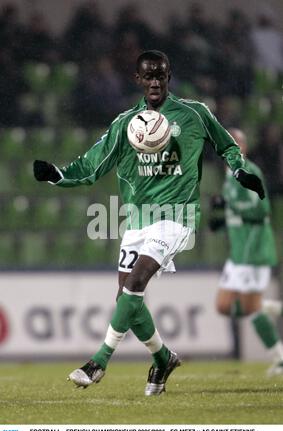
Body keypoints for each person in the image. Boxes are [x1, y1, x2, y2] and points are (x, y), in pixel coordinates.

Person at [33, 50, 265, 396]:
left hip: (178, 215)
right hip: (137, 220)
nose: (155, 81)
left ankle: (99, 360)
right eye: (148, 76)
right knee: (126, 297)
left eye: (161, 75)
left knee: (138, 279)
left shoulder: (194, 114)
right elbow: (92, 164)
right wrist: (58, 175)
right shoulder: (126, 124)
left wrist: (240, 169)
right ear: (138, 80)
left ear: (169, 77)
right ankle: (162, 358)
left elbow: (225, 144)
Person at [210, 128, 283, 376]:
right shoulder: (230, 174)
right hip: (239, 252)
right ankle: (267, 308)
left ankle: (280, 357)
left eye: (238, 143)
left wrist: (229, 205)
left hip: (252, 250)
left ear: (245, 147)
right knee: (222, 306)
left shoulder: (250, 172)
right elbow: (238, 213)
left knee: (247, 309)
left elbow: (261, 211)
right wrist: (222, 220)